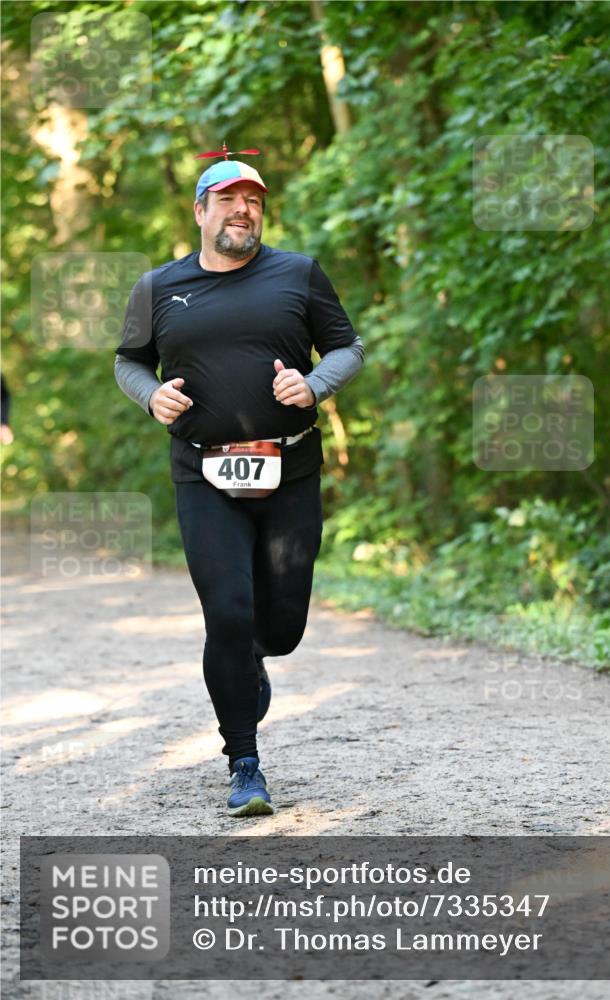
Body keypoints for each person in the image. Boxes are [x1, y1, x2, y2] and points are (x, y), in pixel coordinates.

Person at [114, 154, 364, 817]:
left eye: (252, 198)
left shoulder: (297, 274)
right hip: (203, 470)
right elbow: (129, 361)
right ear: (200, 211)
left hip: (289, 469)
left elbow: (347, 346)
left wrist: (312, 385)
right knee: (226, 611)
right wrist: (150, 397)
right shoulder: (159, 287)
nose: (242, 209)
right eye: (226, 199)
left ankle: (250, 656)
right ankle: (244, 762)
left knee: (277, 631)